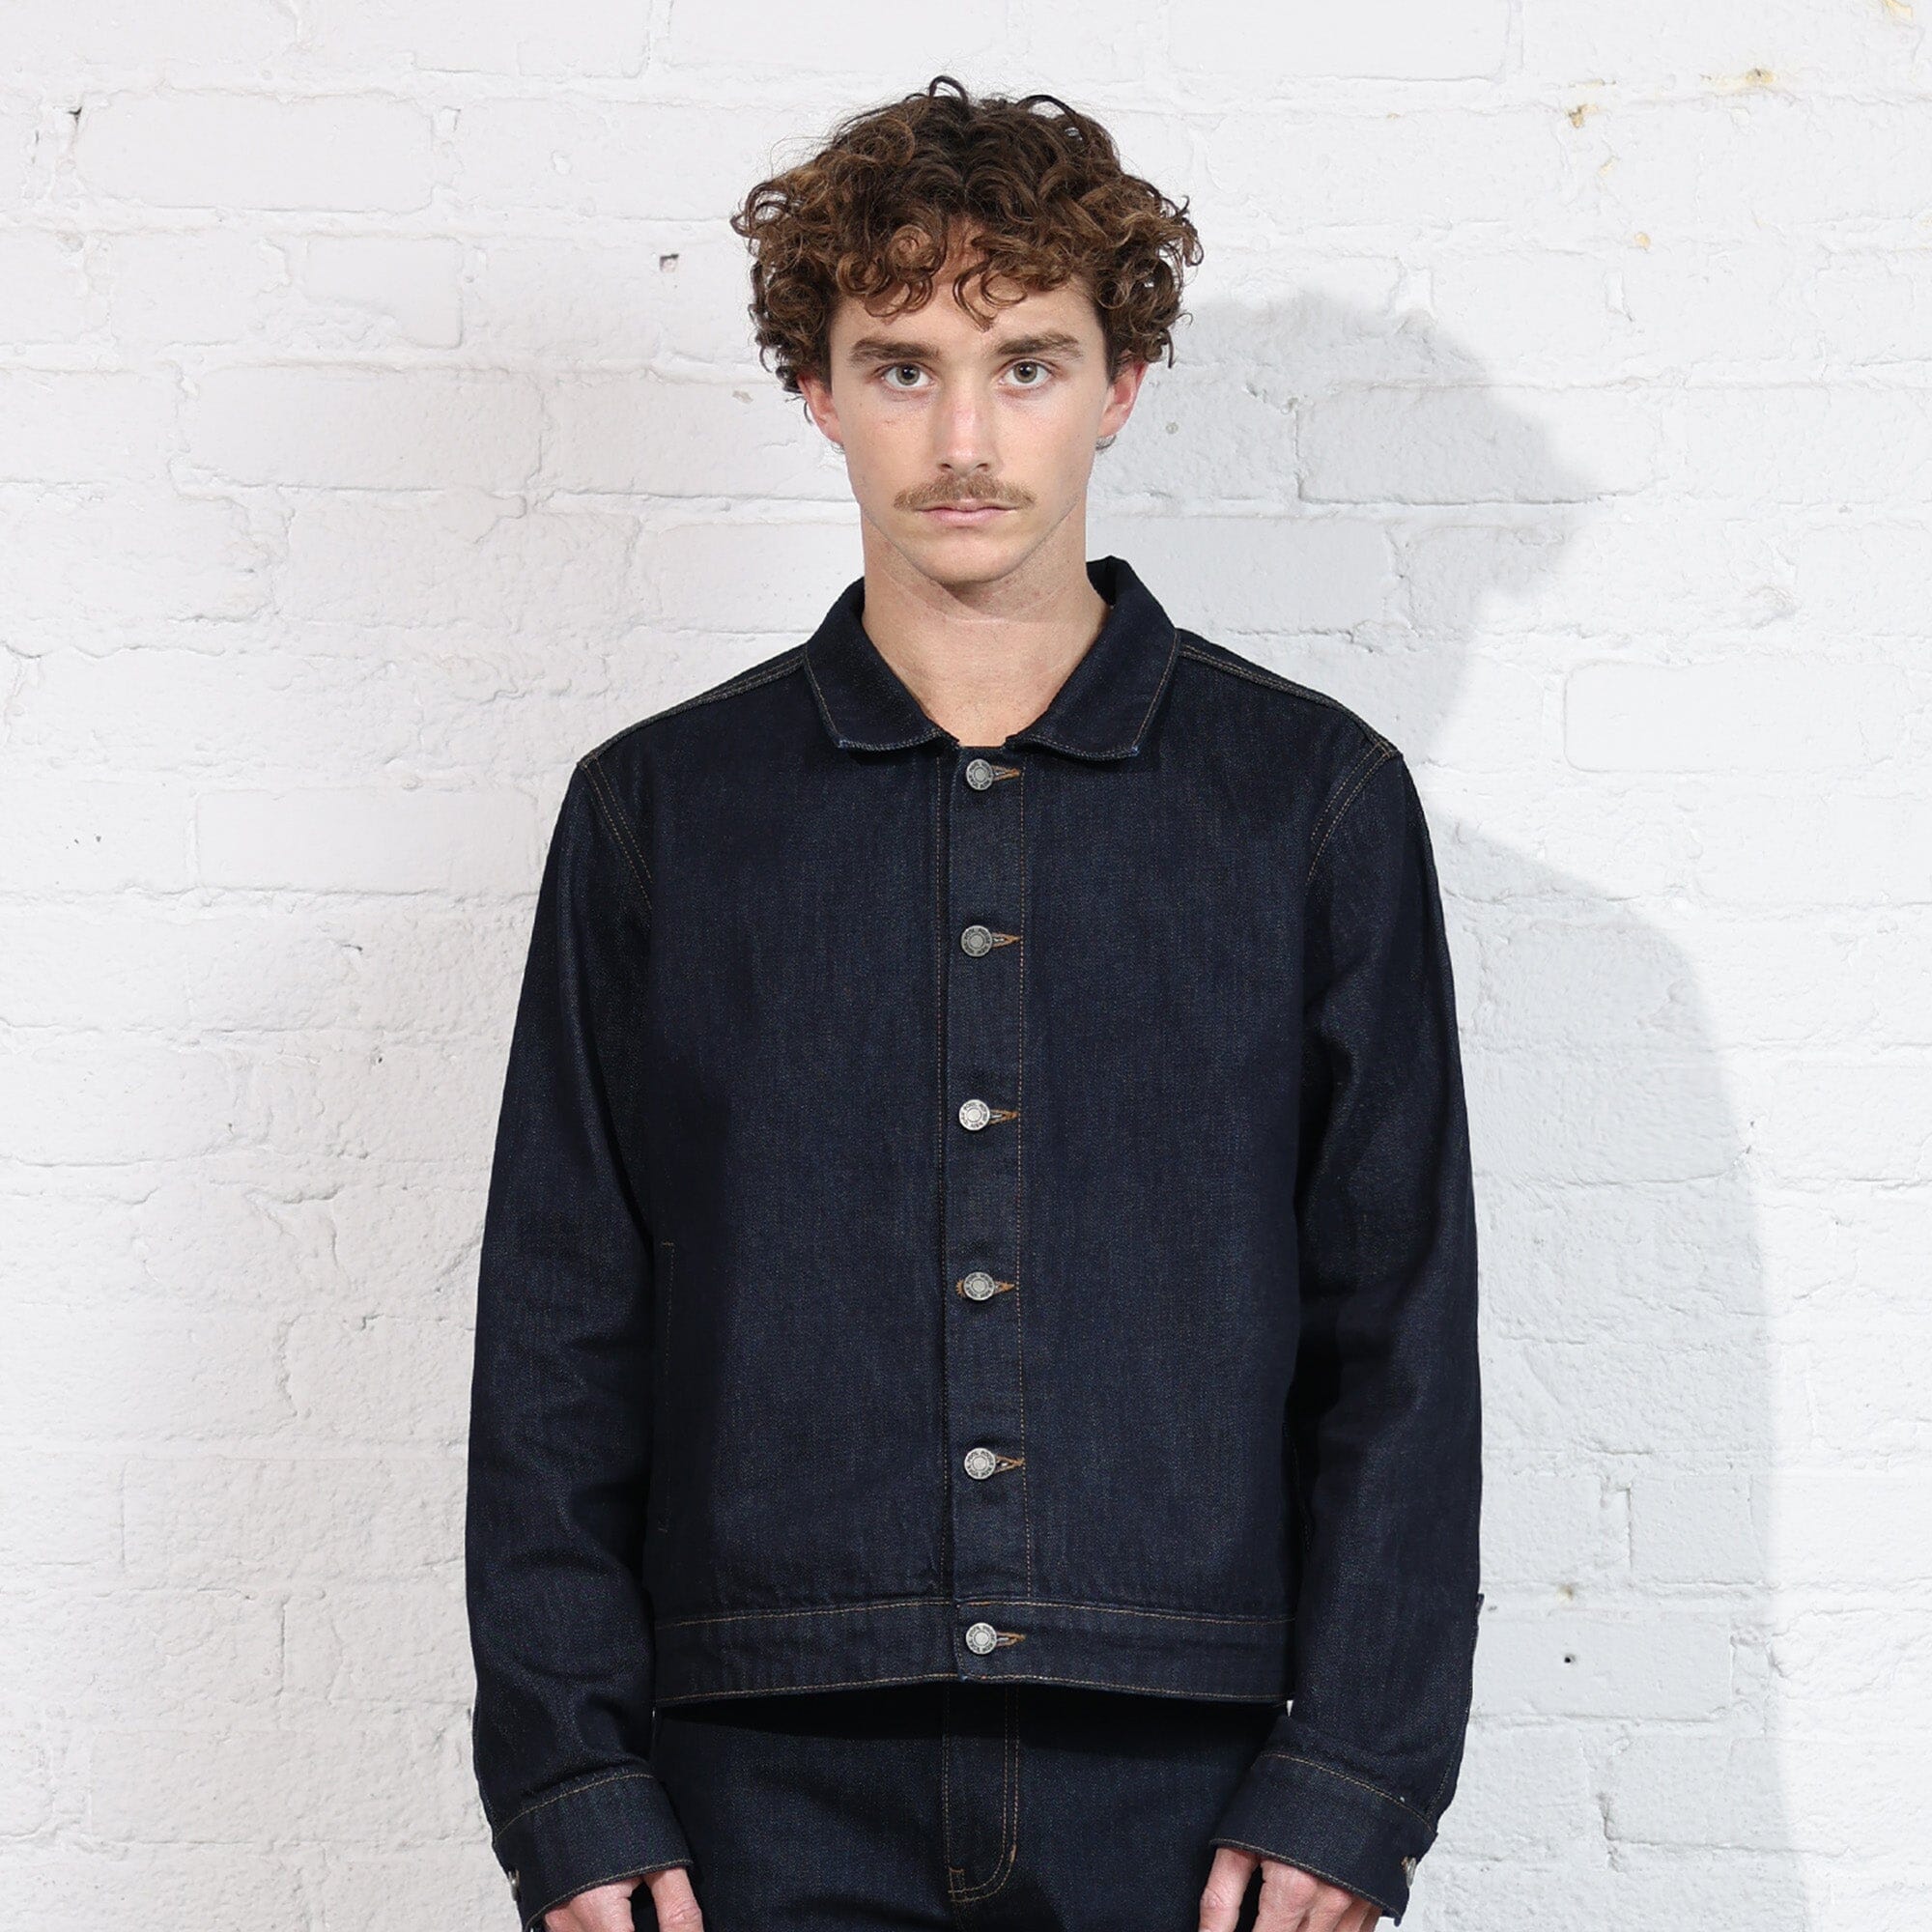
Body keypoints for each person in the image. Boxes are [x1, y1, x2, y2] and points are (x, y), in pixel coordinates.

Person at [465, 73, 1483, 1932]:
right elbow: (559, 1330)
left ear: (1122, 383)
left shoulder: (1306, 805)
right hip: (755, 1782)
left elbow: (1399, 1330)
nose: (962, 435)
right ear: (816, 390)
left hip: (1185, 1786)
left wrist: (1354, 1780)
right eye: (900, 365)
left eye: (1025, 364)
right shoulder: (664, 816)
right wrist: (572, 1785)